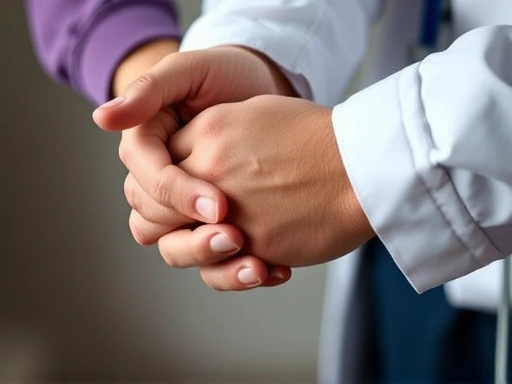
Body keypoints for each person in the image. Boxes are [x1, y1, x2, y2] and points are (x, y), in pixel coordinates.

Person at [25, 0, 512, 383]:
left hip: (387, 197)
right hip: (410, 275)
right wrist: (254, 54)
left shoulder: (366, 172)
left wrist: (360, 161)